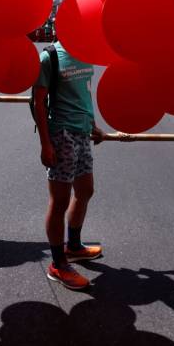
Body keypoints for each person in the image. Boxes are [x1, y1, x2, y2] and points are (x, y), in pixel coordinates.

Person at [32, 41, 104, 291]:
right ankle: (58, 264)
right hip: (61, 134)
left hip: (82, 132)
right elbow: (38, 102)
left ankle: (73, 247)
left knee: (85, 191)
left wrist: (92, 125)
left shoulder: (87, 52)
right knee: (59, 201)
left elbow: (85, 94)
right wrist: (45, 144)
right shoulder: (49, 56)